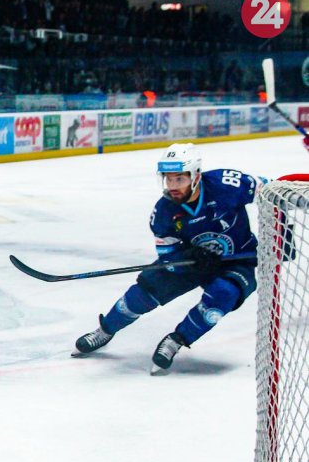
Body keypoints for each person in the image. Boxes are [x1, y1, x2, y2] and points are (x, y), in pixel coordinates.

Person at [73, 143, 266, 373]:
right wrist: (189, 257)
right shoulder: (163, 212)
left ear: (195, 176)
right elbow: (168, 256)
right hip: (191, 263)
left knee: (223, 295)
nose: (172, 186)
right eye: (168, 179)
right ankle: (105, 330)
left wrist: (281, 230)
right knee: (142, 294)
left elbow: (271, 192)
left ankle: (176, 340)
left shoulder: (227, 185)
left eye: (179, 179)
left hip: (236, 260)